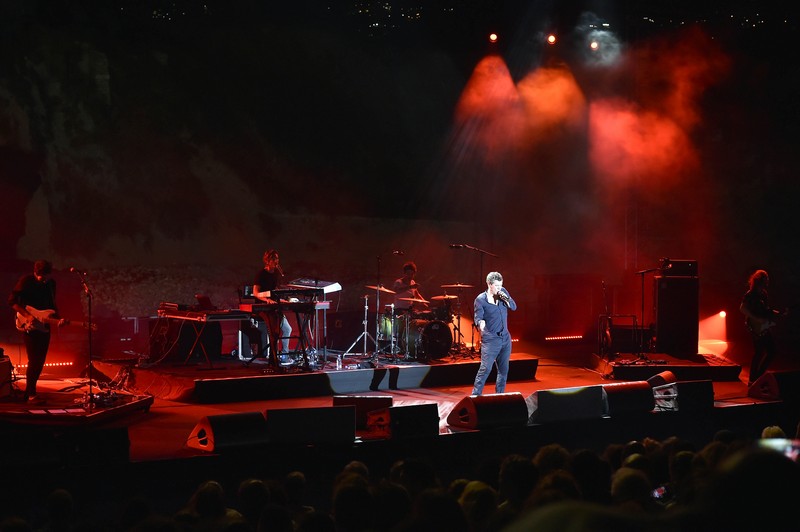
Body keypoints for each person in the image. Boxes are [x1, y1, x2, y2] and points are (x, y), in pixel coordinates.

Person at [8, 259, 65, 404]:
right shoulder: (26, 281)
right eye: (40, 275)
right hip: (29, 325)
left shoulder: (51, 284)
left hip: (44, 326)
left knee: (40, 361)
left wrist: (58, 319)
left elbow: (52, 305)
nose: (42, 278)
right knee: (34, 361)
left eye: (45, 276)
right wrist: (27, 315)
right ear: (35, 272)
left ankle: (30, 393)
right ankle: (31, 394)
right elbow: (12, 301)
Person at [471, 271, 516, 395]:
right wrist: (481, 323)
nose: (499, 288)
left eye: (500, 285)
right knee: (485, 369)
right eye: (496, 286)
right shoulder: (481, 299)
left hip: (505, 338)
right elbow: (477, 318)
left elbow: (513, 307)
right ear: (489, 284)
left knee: (503, 370)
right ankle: (475, 395)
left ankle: (500, 395)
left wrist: (506, 298)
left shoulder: (503, 293)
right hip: (491, 340)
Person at [739, 269, 783, 386]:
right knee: (760, 352)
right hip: (755, 327)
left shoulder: (763, 294)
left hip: (763, 326)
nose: (767, 281)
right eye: (765, 279)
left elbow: (765, 310)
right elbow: (742, 308)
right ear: (759, 280)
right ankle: (753, 379)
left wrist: (775, 313)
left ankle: (757, 377)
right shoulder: (750, 294)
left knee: (770, 351)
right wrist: (755, 318)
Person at [253, 249, 292, 359]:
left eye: (277, 259)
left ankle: (284, 355)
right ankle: (273, 357)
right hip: (263, 307)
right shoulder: (261, 274)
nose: (276, 261)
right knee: (274, 331)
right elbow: (256, 293)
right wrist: (267, 300)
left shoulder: (275, 274)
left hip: (274, 306)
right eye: (274, 259)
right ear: (267, 260)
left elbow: (274, 291)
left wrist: (282, 299)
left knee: (287, 329)